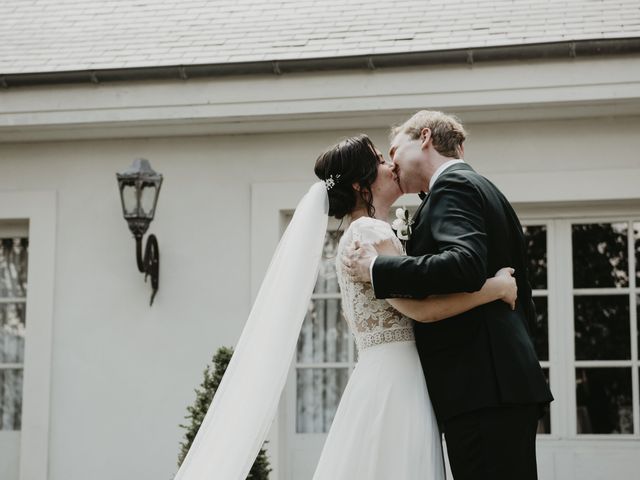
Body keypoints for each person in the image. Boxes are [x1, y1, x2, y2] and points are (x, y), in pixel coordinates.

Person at [345, 111, 554, 480]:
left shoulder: (453, 186)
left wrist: (377, 268)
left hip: (481, 389)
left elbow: (464, 264)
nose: (391, 163)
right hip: (498, 385)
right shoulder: (483, 187)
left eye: (395, 150)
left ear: (424, 137)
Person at [312, 134, 519, 479]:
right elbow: (421, 310)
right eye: (379, 160)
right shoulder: (368, 231)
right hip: (396, 380)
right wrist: (495, 289)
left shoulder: (361, 232)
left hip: (388, 373)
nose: (391, 165)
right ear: (360, 184)